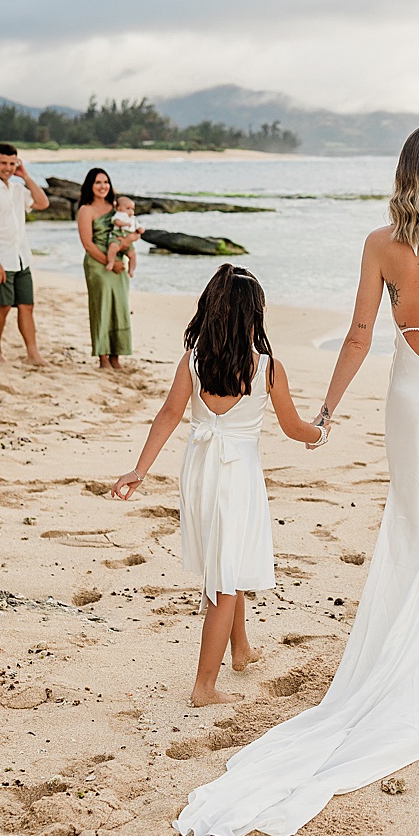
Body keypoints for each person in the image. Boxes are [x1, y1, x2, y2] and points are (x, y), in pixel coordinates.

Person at [174, 125, 419, 836]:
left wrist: (327, 409)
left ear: (405, 174)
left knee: (412, 525)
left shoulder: (381, 243)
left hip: (408, 397)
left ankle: (409, 649)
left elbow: (358, 335)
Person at [110, 265, 325, 707]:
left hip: (200, 470)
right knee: (224, 580)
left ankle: (241, 649)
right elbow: (292, 426)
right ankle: (203, 687)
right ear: (252, 317)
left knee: (229, 557)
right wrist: (320, 433)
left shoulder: (193, 361)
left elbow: (169, 414)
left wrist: (140, 469)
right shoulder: (266, 367)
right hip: (237, 475)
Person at [0, 143, 50, 364]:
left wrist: (25, 177)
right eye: (3, 162)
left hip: (21, 256)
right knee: (3, 305)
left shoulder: (16, 189)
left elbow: (43, 203)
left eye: (12, 163)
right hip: (0, 259)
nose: (7, 167)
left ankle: (32, 354)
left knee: (27, 306)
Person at [76, 167, 141, 369]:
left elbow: (131, 231)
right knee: (101, 307)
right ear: (90, 186)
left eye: (105, 182)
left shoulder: (116, 209)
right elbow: (87, 244)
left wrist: (130, 240)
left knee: (119, 307)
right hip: (98, 265)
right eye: (98, 182)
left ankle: (116, 355)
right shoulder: (85, 210)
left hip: (119, 263)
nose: (103, 186)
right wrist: (109, 263)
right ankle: (103, 356)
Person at [105, 196, 143, 273]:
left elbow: (138, 227)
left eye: (132, 209)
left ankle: (131, 269)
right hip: (117, 236)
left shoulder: (133, 218)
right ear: (119, 208)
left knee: (133, 254)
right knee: (113, 247)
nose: (131, 211)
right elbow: (116, 222)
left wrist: (140, 229)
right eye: (128, 208)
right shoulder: (119, 215)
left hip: (128, 239)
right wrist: (124, 224)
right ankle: (111, 262)